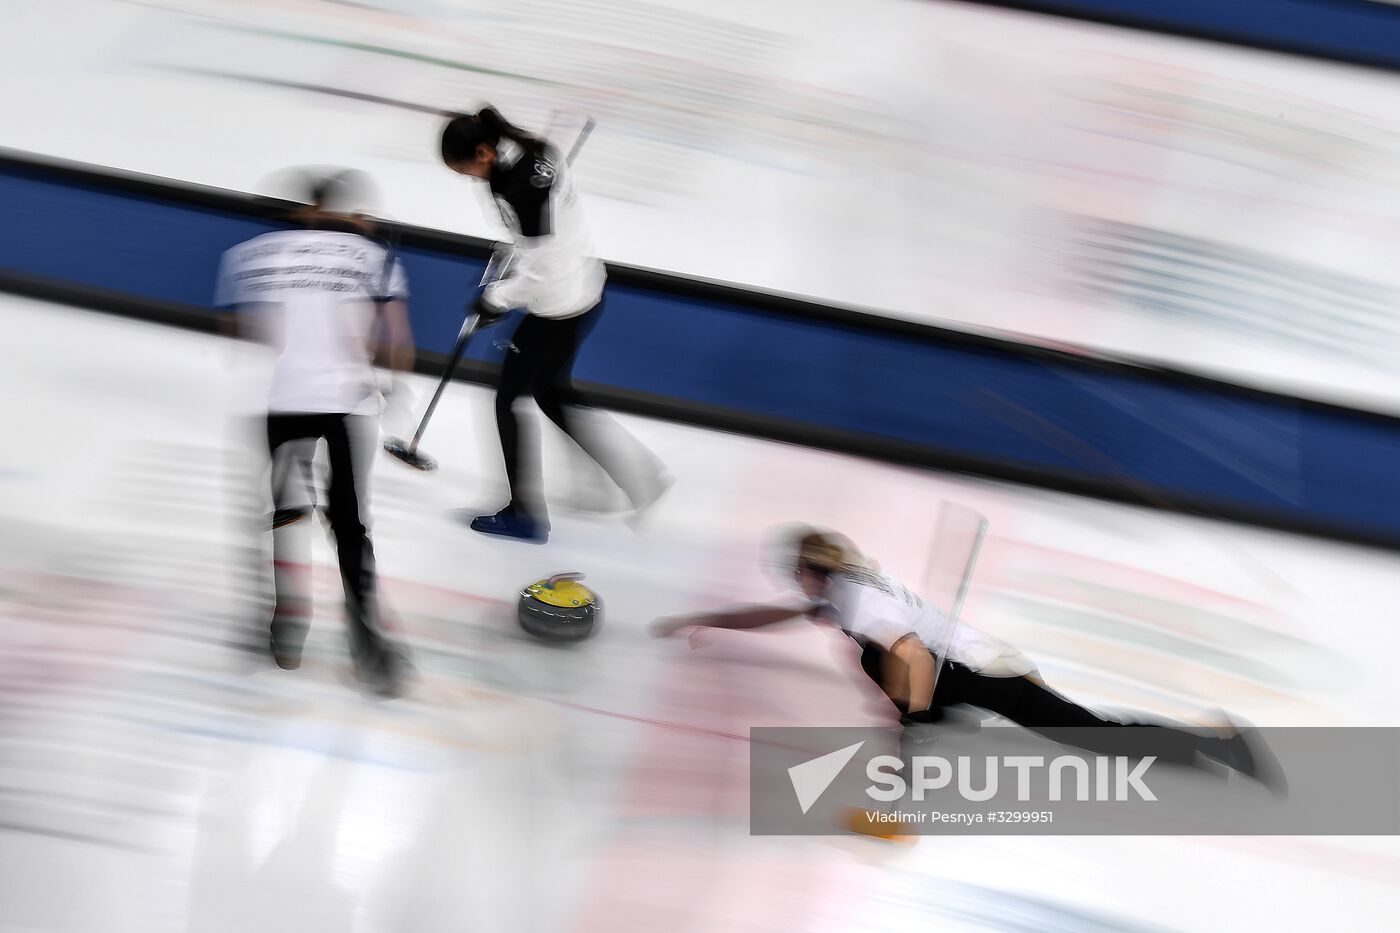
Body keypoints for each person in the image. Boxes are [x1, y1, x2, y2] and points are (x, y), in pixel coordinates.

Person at [652, 526, 1280, 787]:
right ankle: (928, 749)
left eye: (794, 570)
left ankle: (1213, 736)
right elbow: (778, 616)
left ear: (815, 569)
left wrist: (912, 711)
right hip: (965, 671)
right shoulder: (843, 595)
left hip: (983, 672)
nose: (791, 581)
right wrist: (703, 619)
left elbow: (913, 657)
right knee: (894, 698)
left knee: (1089, 736)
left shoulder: (858, 605)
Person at [216, 168, 414, 696]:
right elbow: (396, 341)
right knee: (350, 524)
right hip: (346, 405)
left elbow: (246, 331)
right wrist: (392, 385)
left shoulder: (246, 255)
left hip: (280, 403)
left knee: (285, 512)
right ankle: (370, 648)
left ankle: (285, 630)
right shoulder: (376, 259)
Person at [439, 106, 668, 543]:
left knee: (507, 401)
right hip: (586, 286)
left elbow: (547, 270)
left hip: (559, 306)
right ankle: (640, 477)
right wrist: (516, 255)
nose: (468, 178)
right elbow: (545, 241)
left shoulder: (516, 191)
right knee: (550, 393)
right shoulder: (534, 149)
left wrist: (495, 299)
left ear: (484, 152)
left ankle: (524, 515)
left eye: (465, 169)